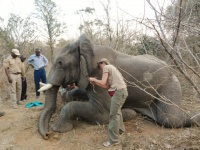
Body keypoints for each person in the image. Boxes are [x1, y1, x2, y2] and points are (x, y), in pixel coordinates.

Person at [89, 58, 128, 147]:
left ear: (102, 63)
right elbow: (106, 86)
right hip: (122, 91)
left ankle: (113, 141)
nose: (100, 68)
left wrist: (93, 79)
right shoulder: (113, 69)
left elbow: (102, 82)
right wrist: (95, 82)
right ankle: (120, 130)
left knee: (113, 115)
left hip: (119, 92)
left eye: (99, 66)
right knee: (117, 112)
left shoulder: (106, 67)